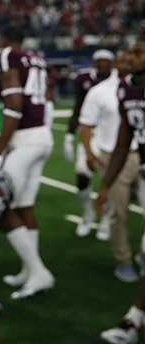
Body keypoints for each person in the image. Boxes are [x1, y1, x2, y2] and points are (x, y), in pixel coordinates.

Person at [0, 25, 55, 300]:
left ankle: (39, 272)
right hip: (42, 136)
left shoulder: (4, 54)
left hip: (24, 139)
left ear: (2, 38)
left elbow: (14, 104)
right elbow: (46, 99)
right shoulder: (35, 57)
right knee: (23, 205)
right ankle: (30, 269)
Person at [97, 36, 145, 344]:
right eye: (130, 51)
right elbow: (123, 141)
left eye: (139, 52)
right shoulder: (126, 87)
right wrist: (105, 184)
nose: (130, 56)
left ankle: (132, 319)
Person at [79, 50, 141, 283]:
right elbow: (86, 124)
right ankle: (123, 259)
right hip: (114, 156)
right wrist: (89, 153)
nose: (129, 63)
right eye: (124, 60)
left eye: (133, 58)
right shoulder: (100, 91)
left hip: (141, 153)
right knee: (119, 211)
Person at [65, 49, 116, 239]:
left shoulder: (118, 83)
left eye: (106, 61)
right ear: (94, 63)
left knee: (110, 180)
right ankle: (87, 214)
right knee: (82, 177)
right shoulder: (85, 80)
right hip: (90, 135)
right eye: (99, 61)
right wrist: (70, 136)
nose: (103, 65)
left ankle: (105, 220)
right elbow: (77, 108)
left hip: (112, 137)